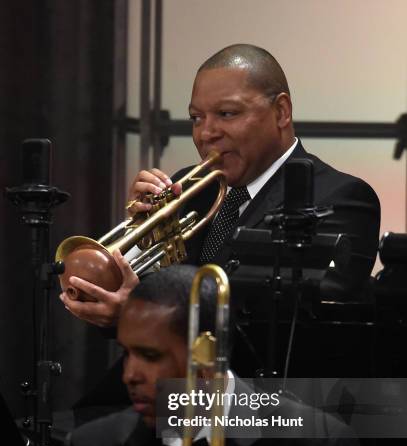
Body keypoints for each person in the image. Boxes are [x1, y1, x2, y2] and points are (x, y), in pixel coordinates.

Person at [60, 43, 380, 329]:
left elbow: (293, 318)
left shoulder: (341, 199)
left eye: (226, 113)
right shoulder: (188, 189)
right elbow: (134, 302)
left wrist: (142, 311)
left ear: (281, 112)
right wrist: (135, 247)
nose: (205, 134)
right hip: (173, 384)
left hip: (262, 391)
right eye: (196, 118)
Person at [69, 265, 361, 446]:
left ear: (207, 360)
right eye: (127, 352)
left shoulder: (315, 444)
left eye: (150, 355)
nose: (129, 375)